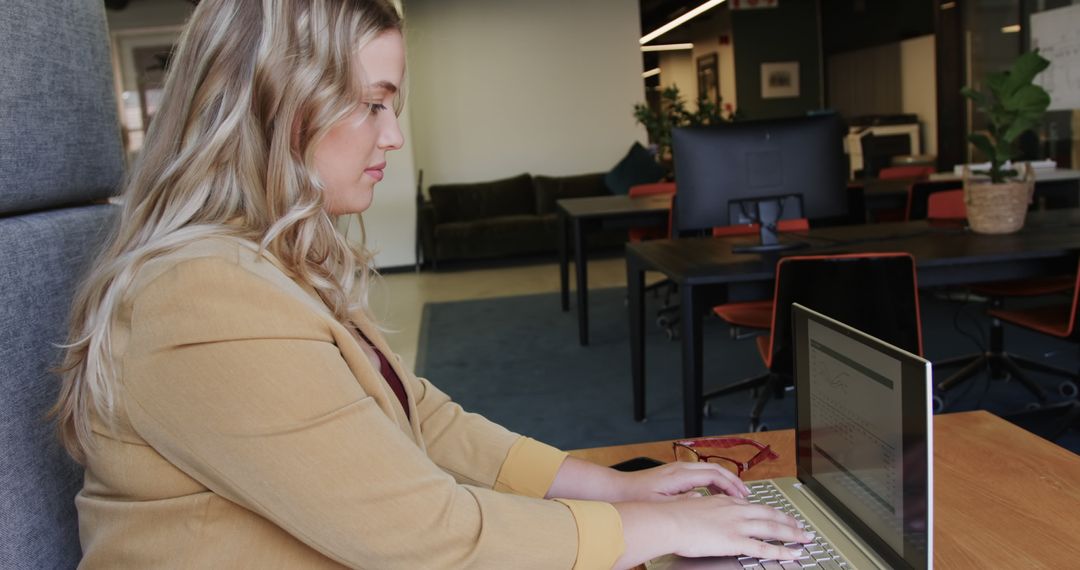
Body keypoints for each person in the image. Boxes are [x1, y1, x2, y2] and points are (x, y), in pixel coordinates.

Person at [51, 1, 811, 568]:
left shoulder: (263, 262)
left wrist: (608, 489)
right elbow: (423, 538)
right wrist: (661, 530)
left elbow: (419, 416)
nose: (393, 135)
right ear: (277, 102)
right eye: (373, 102)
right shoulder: (202, 295)